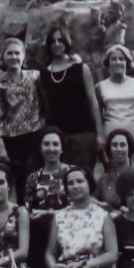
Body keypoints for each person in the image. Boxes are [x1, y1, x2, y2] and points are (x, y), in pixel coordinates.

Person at [39, 26, 105, 171]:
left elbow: (93, 101)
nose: (57, 44)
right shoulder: (43, 74)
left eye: (60, 40)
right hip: (56, 138)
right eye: (53, 41)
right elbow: (44, 108)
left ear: (67, 42)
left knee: (82, 176)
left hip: (83, 134)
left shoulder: (81, 68)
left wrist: (100, 134)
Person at [0, 37, 45, 202]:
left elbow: (48, 102)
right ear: (3, 57)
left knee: (35, 178)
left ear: (23, 56)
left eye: (17, 53)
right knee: (18, 182)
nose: (14, 57)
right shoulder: (0, 84)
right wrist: (0, 145)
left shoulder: (36, 76)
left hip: (35, 135)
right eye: (10, 53)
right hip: (12, 140)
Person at [95, 43, 134, 167]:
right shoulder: (100, 87)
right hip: (111, 134)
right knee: (114, 175)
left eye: (121, 59)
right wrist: (100, 139)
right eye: (114, 59)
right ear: (108, 63)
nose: (118, 62)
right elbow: (98, 117)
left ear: (127, 62)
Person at [23, 126, 69, 268]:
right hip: (40, 229)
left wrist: (48, 213)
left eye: (55, 144)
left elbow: (79, 207)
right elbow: (28, 209)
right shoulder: (33, 178)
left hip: (68, 224)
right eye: (47, 144)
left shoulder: (73, 173)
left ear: (62, 148)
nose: (51, 148)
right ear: (40, 148)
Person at [94, 128, 134, 210]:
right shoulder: (103, 181)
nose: (119, 149)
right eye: (115, 145)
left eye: (123, 145)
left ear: (129, 148)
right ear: (109, 149)